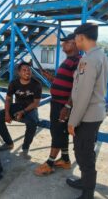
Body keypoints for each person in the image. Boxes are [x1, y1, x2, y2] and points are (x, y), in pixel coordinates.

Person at [66, 23, 108, 199]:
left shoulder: (88, 60)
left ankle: (88, 192)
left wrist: (72, 121)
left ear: (82, 37)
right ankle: (84, 182)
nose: (75, 41)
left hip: (87, 115)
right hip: (96, 113)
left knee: (84, 153)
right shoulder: (101, 55)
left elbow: (83, 95)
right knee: (83, 150)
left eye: (76, 38)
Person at [34, 33, 81, 175]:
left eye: (66, 42)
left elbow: (77, 87)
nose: (62, 44)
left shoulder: (77, 61)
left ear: (74, 44)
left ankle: (49, 163)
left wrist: (67, 106)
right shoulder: (68, 60)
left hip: (62, 105)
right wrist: (51, 77)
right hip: (57, 103)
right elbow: (65, 81)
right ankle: (65, 159)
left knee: (57, 132)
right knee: (62, 132)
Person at [0, 62, 42, 159]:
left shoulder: (36, 84)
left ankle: (25, 148)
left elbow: (36, 103)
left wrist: (23, 112)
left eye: (29, 70)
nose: (27, 72)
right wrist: (7, 113)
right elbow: (8, 99)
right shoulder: (14, 83)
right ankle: (8, 143)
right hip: (17, 105)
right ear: (19, 73)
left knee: (32, 122)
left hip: (31, 108)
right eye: (24, 70)